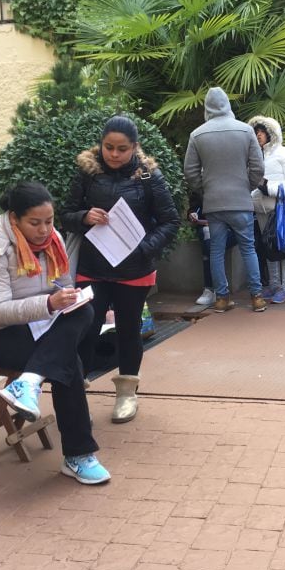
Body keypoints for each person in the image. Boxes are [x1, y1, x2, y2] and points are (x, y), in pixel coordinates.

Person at [0, 181, 110, 485]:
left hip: (41, 324)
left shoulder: (54, 239)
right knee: (68, 363)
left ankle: (29, 382)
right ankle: (78, 456)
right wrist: (48, 303)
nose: (45, 230)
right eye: (35, 223)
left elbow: (63, 284)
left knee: (84, 310)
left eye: (49, 221)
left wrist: (67, 297)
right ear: (14, 218)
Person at [63, 116, 180, 423]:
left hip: (135, 268)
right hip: (93, 266)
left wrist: (144, 248)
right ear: (100, 144)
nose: (114, 154)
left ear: (134, 147)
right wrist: (84, 216)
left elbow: (170, 221)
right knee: (85, 327)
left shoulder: (149, 177)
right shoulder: (87, 173)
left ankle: (127, 394)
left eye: (122, 149)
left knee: (129, 330)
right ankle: (78, 394)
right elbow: (65, 214)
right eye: (108, 147)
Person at [184, 87, 266, 313]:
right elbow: (258, 168)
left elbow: (190, 172)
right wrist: (245, 187)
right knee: (248, 248)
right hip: (240, 202)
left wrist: (206, 190)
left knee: (216, 251)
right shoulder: (245, 131)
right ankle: (257, 297)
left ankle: (221, 299)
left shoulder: (197, 134)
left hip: (214, 204)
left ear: (207, 107)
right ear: (227, 104)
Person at [249, 115, 285, 304]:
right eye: (256, 132)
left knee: (283, 248)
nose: (258, 135)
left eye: (262, 132)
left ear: (270, 134)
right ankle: (274, 285)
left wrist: (269, 188)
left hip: (280, 208)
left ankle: (284, 288)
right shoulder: (253, 156)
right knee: (269, 248)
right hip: (261, 208)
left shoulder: (284, 153)